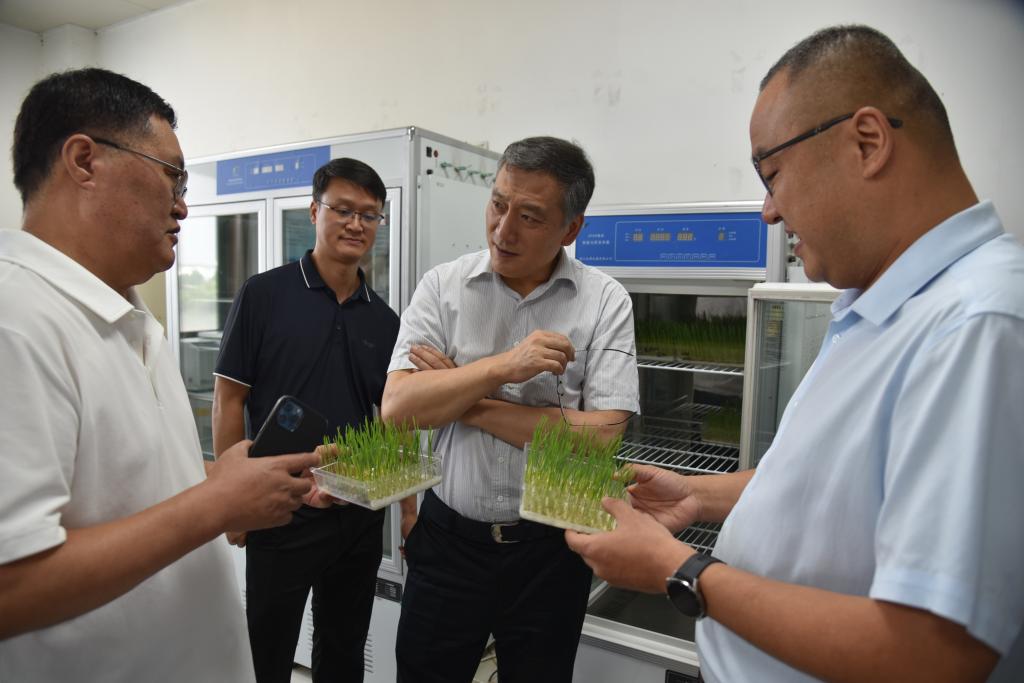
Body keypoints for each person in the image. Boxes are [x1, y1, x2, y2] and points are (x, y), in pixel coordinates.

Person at [565, 24, 1024, 682]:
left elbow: (932, 654)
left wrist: (681, 569)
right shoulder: (883, 305)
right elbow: (839, 487)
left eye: (772, 174)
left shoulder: (977, 326)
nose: (768, 213)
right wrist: (698, 492)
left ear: (868, 142)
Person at [0, 68, 321, 681]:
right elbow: (11, 585)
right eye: (172, 175)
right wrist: (216, 502)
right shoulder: (16, 319)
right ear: (84, 161)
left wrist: (229, 478)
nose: (182, 204)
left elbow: (120, 483)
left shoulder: (127, 316)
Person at [380, 135, 640, 682]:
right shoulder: (443, 287)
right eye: (498, 204)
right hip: (448, 543)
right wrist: (502, 367)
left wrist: (460, 397)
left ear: (570, 229)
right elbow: (398, 408)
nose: (503, 231)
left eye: (529, 216)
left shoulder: (605, 301)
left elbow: (601, 436)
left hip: (550, 553)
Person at [213, 157, 404, 682]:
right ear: (314, 211)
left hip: (356, 510)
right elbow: (229, 398)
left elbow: (391, 418)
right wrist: (232, 501)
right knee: (267, 649)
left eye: (369, 214)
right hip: (280, 504)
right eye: (343, 209)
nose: (356, 224)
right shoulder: (264, 294)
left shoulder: (384, 319)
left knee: (343, 651)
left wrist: (403, 506)